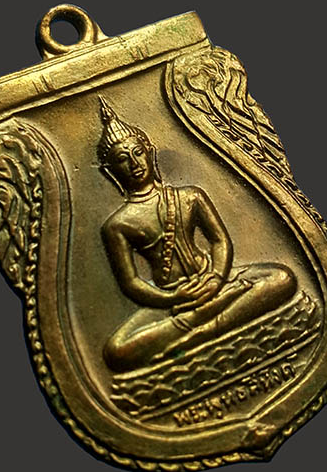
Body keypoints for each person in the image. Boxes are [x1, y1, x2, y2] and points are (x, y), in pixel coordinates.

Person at [98, 97, 296, 372]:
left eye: (138, 153)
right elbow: (131, 283)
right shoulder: (117, 225)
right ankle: (216, 317)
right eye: (122, 159)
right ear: (111, 172)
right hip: (172, 298)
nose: (134, 163)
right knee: (116, 352)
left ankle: (203, 332)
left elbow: (219, 240)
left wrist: (216, 277)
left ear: (150, 152)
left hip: (215, 281)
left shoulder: (190, 196)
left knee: (282, 278)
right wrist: (171, 298)